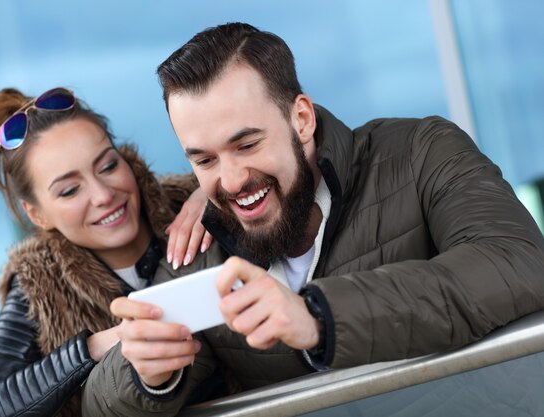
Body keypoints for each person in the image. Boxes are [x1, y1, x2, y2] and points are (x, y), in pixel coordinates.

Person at [81, 22, 544, 416]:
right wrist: (145, 374)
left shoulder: (422, 152)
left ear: (301, 119)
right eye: (204, 160)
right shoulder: (199, 253)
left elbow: (518, 263)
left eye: (246, 145)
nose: (232, 178)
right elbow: (98, 407)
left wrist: (320, 316)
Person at [0, 87, 214, 417]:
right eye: (70, 190)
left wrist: (215, 189)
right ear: (38, 215)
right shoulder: (39, 286)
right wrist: (96, 346)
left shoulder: (195, 204)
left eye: (107, 166)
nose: (103, 195)